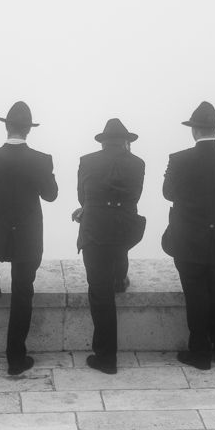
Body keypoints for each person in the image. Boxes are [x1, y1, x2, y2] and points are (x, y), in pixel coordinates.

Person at [0, 101, 58, 375]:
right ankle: (16, 358)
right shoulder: (42, 160)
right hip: (27, 237)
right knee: (22, 292)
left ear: (6, 126)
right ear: (29, 130)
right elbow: (51, 195)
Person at [162, 101, 215, 370]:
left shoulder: (179, 159)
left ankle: (199, 351)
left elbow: (168, 194)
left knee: (195, 293)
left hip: (188, 237)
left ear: (194, 130)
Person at [72, 118, 146, 374]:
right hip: (123, 228)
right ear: (126, 142)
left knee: (99, 292)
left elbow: (82, 196)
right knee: (119, 252)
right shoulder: (137, 163)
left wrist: (91, 208)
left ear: (103, 142)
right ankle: (120, 278)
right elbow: (134, 196)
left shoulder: (87, 160)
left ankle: (106, 357)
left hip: (94, 229)